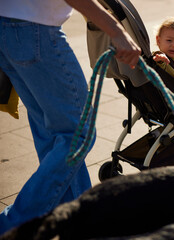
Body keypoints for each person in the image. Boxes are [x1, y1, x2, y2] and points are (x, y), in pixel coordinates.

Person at [0, 0, 140, 234]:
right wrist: (117, 30)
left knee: (52, 134)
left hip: (10, 26)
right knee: (78, 134)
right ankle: (11, 225)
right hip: (36, 30)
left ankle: (77, 219)